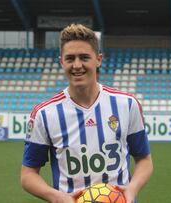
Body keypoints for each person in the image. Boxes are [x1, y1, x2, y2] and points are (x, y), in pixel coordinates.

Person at [21, 23, 153, 203]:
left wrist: (132, 189)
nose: (77, 65)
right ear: (61, 61)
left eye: (84, 57)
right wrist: (57, 197)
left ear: (98, 59)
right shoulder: (44, 114)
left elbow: (144, 160)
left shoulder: (126, 104)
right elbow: (28, 174)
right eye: (70, 58)